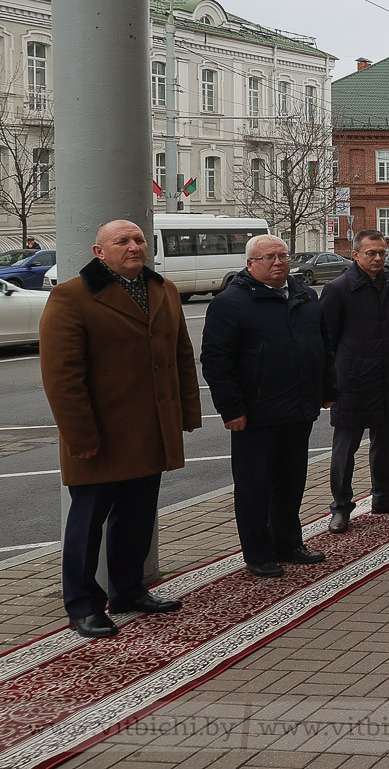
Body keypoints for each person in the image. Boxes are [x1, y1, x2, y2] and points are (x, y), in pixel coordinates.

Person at [41, 219, 201, 638]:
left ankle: (128, 590)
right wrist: (81, 437)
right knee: (86, 524)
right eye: (122, 241)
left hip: (150, 430)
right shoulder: (71, 297)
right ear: (99, 252)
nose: (133, 247)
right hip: (101, 436)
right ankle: (82, 605)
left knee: (137, 517)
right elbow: (62, 376)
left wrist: (185, 412)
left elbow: (181, 356)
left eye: (138, 239)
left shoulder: (162, 289)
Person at [202, 235, 335, 578]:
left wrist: (327, 389)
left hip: (299, 407)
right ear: (251, 264)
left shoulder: (306, 296)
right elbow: (217, 362)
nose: (278, 262)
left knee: (291, 481)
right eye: (269, 257)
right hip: (256, 412)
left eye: (282, 256)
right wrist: (231, 410)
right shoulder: (230, 303)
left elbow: (323, 346)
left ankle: (289, 543)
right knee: (254, 487)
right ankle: (258, 553)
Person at [319, 230, 389, 535]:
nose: (377, 258)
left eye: (382, 253)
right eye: (371, 253)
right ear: (356, 255)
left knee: (385, 441)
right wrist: (331, 382)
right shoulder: (338, 289)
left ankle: (384, 495)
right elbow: (326, 340)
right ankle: (341, 508)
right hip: (353, 381)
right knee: (345, 448)